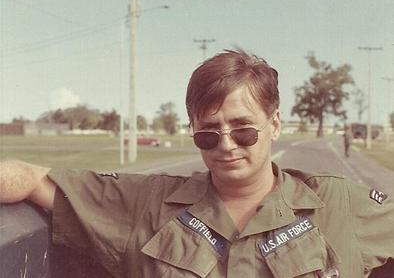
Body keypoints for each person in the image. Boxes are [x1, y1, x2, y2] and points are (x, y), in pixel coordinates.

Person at [1, 49, 393, 278]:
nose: (226, 146)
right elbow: (31, 179)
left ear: (274, 125)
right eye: (208, 133)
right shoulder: (146, 204)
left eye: (243, 130)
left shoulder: (339, 205)